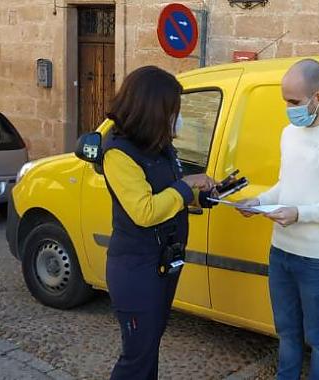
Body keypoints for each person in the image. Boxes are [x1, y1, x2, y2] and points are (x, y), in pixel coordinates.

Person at [238, 59, 319, 379]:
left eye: (294, 102)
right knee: (286, 333)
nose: (288, 109)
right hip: (280, 251)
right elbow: (287, 185)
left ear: (318, 97)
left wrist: (300, 214)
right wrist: (260, 201)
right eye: (285, 101)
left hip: (318, 260)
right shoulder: (289, 133)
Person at [102, 65, 217, 380]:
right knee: (136, 359)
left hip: (164, 263)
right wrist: (185, 186)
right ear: (152, 110)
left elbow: (171, 190)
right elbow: (145, 210)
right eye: (172, 112)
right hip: (136, 270)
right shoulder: (118, 152)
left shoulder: (159, 145)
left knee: (149, 348)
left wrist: (204, 195)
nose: (176, 119)